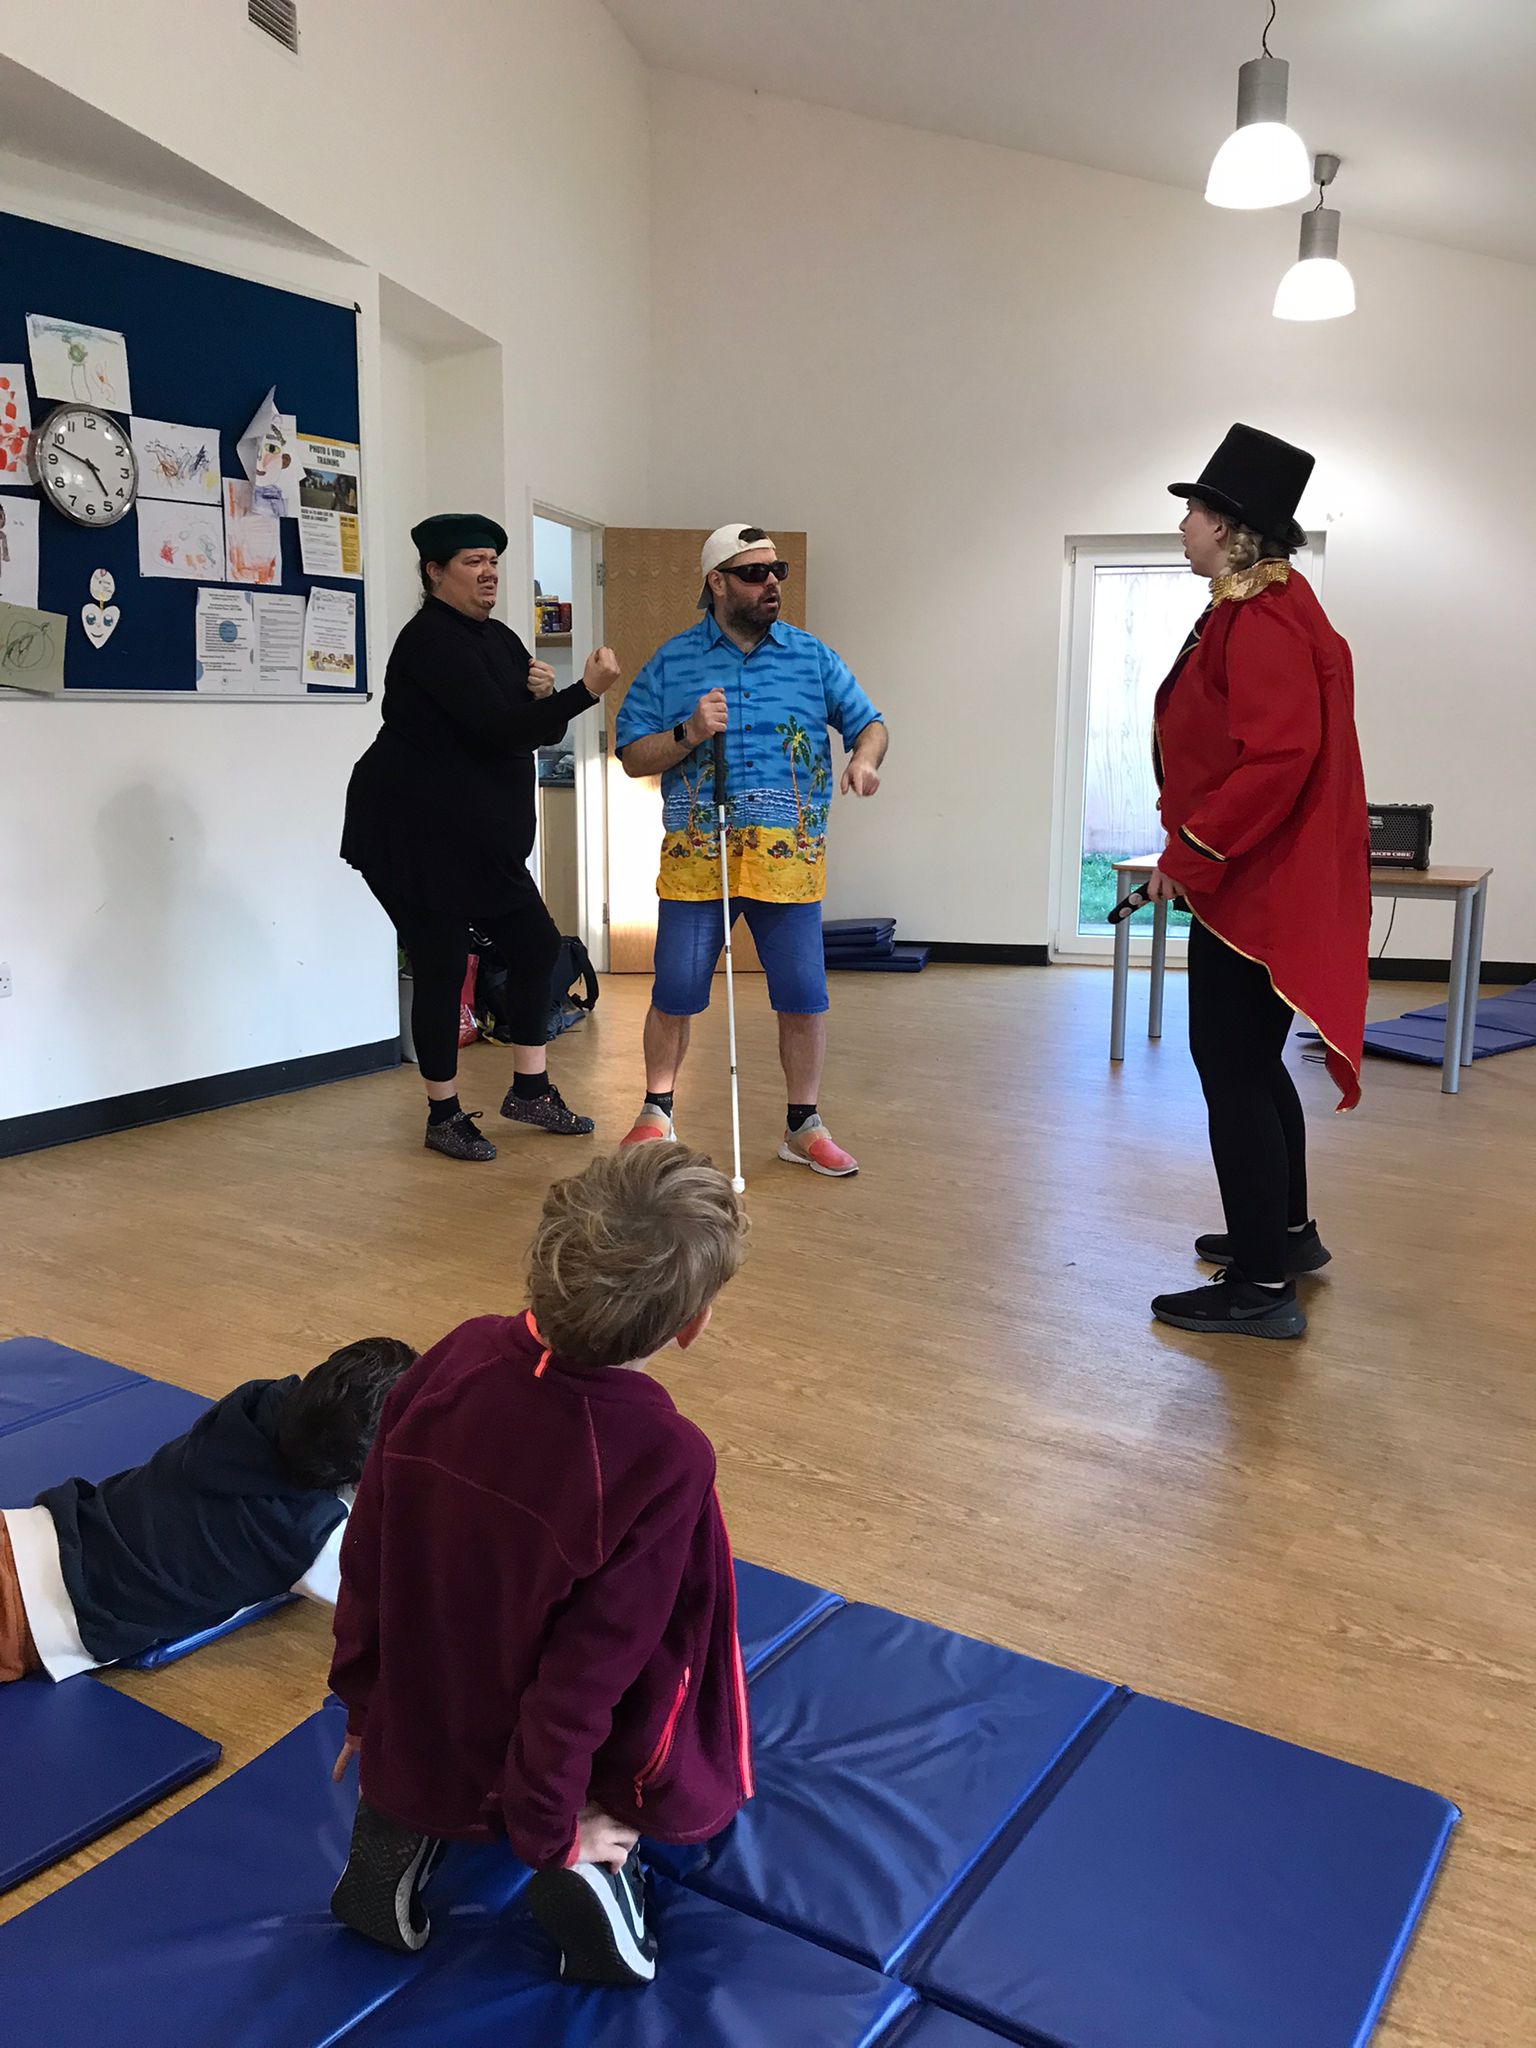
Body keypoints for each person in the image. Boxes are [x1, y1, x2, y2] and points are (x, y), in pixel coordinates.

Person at [329, 1144, 753, 1988]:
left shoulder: (453, 1356)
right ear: (691, 1323)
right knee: (661, 1681)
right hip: (545, 1741)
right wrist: (551, 1826)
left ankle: (405, 1810)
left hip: (436, 1689)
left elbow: (368, 1546)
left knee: (459, 1651)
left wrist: (365, 1701)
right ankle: (591, 1866)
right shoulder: (664, 1455)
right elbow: (594, 1669)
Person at [1145, 424, 1368, 1340]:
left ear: (1234, 526)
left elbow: (1278, 757)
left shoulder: (1265, 616)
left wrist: (1189, 853)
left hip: (1250, 887)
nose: (1186, 524)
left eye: (1196, 509)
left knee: (1229, 1068)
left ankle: (1261, 1288)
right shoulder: (1259, 605)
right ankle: (1282, 1235)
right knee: (1250, 1065)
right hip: (1249, 880)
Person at [341, 513, 620, 1161]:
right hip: (408, 832)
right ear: (435, 572)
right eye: (472, 560)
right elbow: (499, 729)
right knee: (441, 962)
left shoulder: (497, 639)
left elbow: (532, 731)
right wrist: (584, 691)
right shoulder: (429, 641)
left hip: (476, 841)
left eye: (493, 558)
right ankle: (443, 1113)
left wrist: (545, 697)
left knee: (535, 946)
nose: (489, 570)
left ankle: (530, 1088)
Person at [614, 524, 888, 1178]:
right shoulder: (673, 660)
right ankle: (656, 1111)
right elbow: (630, 753)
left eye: (777, 572)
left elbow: (869, 722)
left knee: (802, 993)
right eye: (754, 574)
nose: (771, 584)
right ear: (717, 583)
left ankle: (803, 1126)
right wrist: (686, 732)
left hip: (787, 861)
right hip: (697, 859)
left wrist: (865, 761)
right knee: (676, 988)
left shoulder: (811, 656)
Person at [0, 1336, 417, 1683]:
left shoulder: (257, 1405)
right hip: (33, 1614)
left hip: (29, 1531)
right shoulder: (309, 1541)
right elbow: (412, 1608)